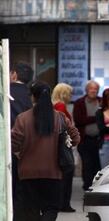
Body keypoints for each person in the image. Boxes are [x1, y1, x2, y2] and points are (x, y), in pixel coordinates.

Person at [11, 81, 80, 221]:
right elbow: (75, 138)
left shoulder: (22, 118)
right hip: (53, 173)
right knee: (51, 208)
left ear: (33, 97)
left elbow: (13, 143)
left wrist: (20, 153)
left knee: (31, 210)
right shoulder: (60, 117)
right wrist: (64, 146)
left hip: (27, 173)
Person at [9, 62, 33, 221]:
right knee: (21, 185)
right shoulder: (31, 95)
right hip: (27, 146)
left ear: (14, 75)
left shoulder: (6, 92)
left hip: (8, 145)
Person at [73, 80, 102, 190]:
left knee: (98, 165)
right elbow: (79, 120)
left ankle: (97, 187)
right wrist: (96, 117)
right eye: (91, 88)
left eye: (96, 89)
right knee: (87, 165)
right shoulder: (79, 102)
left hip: (99, 140)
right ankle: (87, 187)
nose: (93, 91)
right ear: (86, 90)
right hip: (85, 140)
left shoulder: (102, 101)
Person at [51, 83, 76, 212]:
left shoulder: (54, 105)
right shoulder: (60, 106)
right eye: (70, 93)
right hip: (63, 145)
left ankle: (61, 202)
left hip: (57, 145)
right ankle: (64, 203)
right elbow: (62, 127)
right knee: (67, 173)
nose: (71, 96)